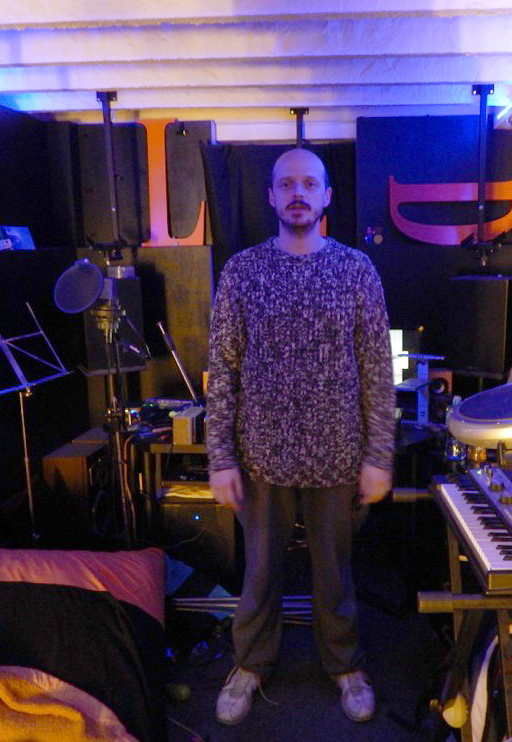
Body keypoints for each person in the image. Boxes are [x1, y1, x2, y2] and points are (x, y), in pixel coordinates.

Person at [205, 147, 396, 725]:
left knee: (334, 574)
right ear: (270, 196)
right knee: (259, 573)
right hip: (260, 456)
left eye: (309, 184)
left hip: (338, 454)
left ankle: (345, 665)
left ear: (326, 196)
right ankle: (250, 664)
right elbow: (223, 369)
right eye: (286, 183)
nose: (297, 193)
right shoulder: (242, 272)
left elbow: (377, 370)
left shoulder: (356, 270)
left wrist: (379, 455)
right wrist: (220, 457)